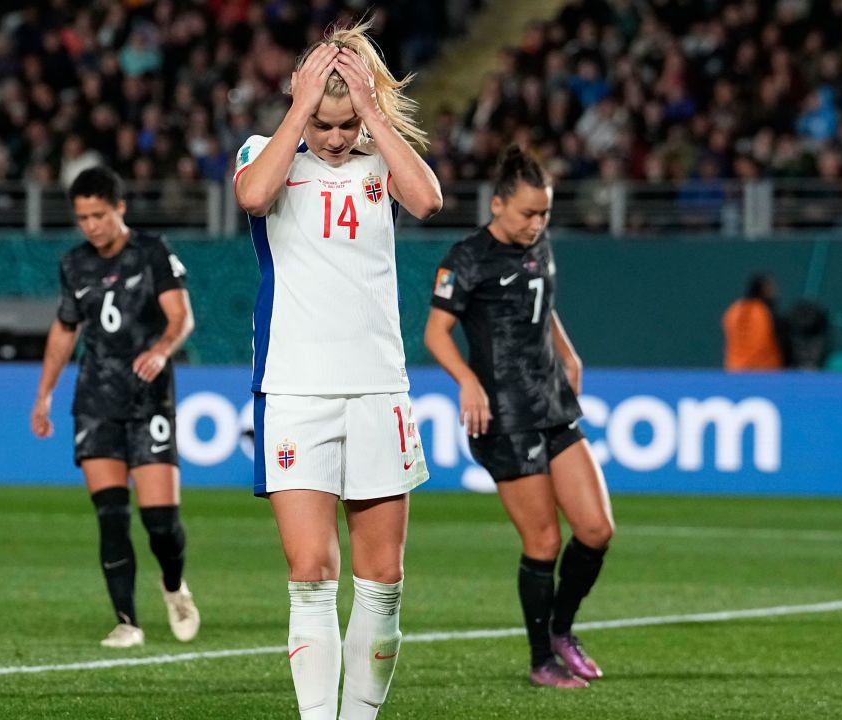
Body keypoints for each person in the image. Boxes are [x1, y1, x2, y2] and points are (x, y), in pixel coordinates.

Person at [233, 22, 442, 720]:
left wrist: (375, 117)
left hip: (379, 388)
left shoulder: (382, 159)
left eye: (344, 121)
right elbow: (252, 199)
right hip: (294, 392)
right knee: (311, 576)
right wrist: (298, 110)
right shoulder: (265, 152)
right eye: (323, 123)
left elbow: (430, 201)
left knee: (382, 581)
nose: (332, 137)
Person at [424, 146, 615, 689]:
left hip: (552, 401)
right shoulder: (465, 259)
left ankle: (562, 629)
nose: (537, 223)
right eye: (528, 213)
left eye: (545, 214)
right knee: (544, 544)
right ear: (498, 203)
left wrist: (568, 351)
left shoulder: (539, 244)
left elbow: (542, 303)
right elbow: (435, 334)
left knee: (597, 530)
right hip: (505, 415)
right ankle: (540, 661)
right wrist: (468, 382)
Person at [30, 166, 200, 649]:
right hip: (96, 402)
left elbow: (180, 316)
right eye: (83, 217)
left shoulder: (152, 252)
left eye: (99, 215)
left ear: (119, 208)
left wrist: (163, 349)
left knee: (161, 523)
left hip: (149, 400)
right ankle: (127, 621)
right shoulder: (74, 265)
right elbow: (65, 330)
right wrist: (44, 394)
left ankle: (173, 586)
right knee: (110, 515)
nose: (91, 226)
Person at [722, 273, 785, 371]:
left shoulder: (734, 310)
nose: (774, 292)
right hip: (764, 373)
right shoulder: (765, 312)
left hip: (734, 371)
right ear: (763, 290)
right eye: (770, 288)